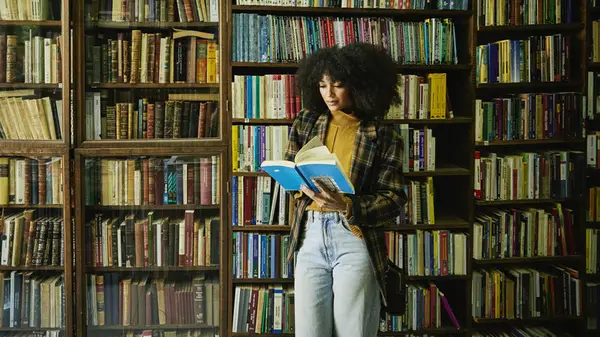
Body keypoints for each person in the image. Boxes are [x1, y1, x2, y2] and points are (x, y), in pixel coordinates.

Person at [283, 42, 407, 337]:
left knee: (354, 331)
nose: (329, 93)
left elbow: (394, 198)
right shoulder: (306, 120)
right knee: (309, 332)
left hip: (354, 236)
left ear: (361, 85)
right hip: (310, 235)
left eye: (338, 85)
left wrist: (348, 205)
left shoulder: (383, 133)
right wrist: (299, 187)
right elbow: (291, 167)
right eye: (323, 85)